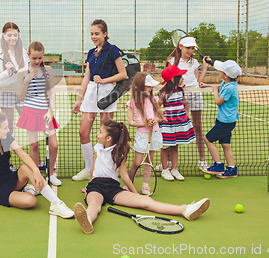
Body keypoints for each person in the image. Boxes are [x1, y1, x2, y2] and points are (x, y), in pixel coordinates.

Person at [73, 120, 210, 234]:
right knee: (94, 204)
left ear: (108, 138)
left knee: (146, 202)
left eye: (100, 132)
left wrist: (136, 195)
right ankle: (88, 220)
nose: (97, 133)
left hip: (112, 188)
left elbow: (125, 177)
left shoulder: (119, 152)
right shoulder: (98, 147)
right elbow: (93, 168)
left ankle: (185, 210)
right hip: (96, 186)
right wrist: (88, 186)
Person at [71, 19, 127, 181]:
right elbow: (86, 78)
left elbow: (123, 74)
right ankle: (89, 169)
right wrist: (78, 100)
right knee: (83, 132)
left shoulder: (113, 50)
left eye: (97, 33)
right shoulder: (90, 52)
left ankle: (107, 169)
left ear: (105, 34)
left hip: (106, 95)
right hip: (90, 94)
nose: (93, 36)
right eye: (91, 34)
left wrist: (105, 80)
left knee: (107, 135)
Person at [16, 41, 61, 187]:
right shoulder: (22, 72)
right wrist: (28, 80)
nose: (37, 61)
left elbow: (51, 91)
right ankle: (37, 176)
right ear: (28, 55)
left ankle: (51, 174)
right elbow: (21, 97)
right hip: (30, 111)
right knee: (34, 145)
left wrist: (50, 110)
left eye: (40, 58)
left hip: (46, 112)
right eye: (34, 58)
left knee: (54, 145)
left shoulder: (48, 70)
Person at [166, 35, 211, 171]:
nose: (190, 51)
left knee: (198, 127)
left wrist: (204, 67)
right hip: (179, 96)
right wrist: (178, 85)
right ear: (180, 46)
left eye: (192, 48)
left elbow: (198, 81)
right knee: (173, 128)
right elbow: (170, 79)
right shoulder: (172, 61)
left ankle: (202, 160)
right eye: (188, 48)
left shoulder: (194, 62)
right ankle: (168, 162)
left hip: (195, 95)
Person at [0, 22, 29, 171]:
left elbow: (28, 71)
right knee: (8, 128)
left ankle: (37, 160)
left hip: (21, 92)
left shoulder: (24, 52)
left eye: (15, 34)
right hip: (5, 92)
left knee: (29, 125)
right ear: (4, 36)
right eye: (9, 35)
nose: (13, 37)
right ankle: (6, 162)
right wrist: (7, 72)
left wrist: (23, 72)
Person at [200, 60, 242, 178]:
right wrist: (208, 85)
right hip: (227, 121)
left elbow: (218, 101)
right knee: (225, 144)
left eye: (220, 71)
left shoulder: (229, 88)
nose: (218, 71)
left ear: (226, 75)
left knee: (208, 139)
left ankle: (218, 165)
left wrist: (214, 91)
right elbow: (219, 86)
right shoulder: (228, 83)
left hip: (225, 122)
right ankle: (231, 169)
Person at [126, 73, 165, 194]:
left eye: (151, 86)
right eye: (148, 86)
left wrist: (155, 120)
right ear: (139, 87)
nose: (151, 88)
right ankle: (129, 184)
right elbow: (131, 122)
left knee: (149, 160)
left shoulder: (155, 100)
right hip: (142, 136)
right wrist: (145, 123)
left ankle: (145, 185)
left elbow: (160, 117)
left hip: (155, 133)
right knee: (137, 162)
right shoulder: (132, 103)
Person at [158, 65, 196, 181]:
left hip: (180, 122)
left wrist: (186, 115)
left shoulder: (180, 91)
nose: (182, 78)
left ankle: (174, 169)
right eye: (180, 76)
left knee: (175, 146)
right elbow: (157, 107)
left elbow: (185, 104)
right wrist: (160, 118)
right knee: (164, 147)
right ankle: (165, 170)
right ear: (174, 79)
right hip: (168, 123)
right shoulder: (164, 93)